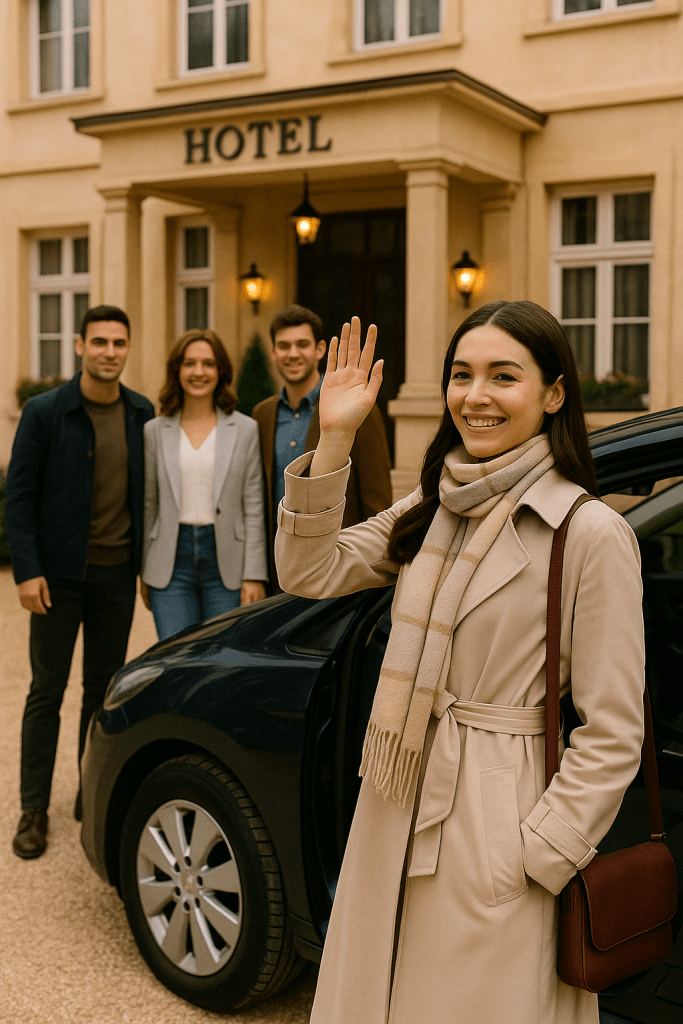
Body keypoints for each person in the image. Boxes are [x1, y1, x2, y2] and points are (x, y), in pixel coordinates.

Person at [275, 303, 645, 1024]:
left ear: (553, 393)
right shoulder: (435, 503)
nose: (475, 396)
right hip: (397, 792)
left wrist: (538, 853)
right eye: (460, 375)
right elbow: (308, 568)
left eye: (502, 376)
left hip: (498, 810)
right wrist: (336, 436)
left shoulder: (588, 531)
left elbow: (612, 730)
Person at [6, 304, 154, 859]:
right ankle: (33, 810)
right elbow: (18, 497)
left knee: (102, 691)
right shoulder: (45, 413)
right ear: (79, 346)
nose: (109, 352)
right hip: (57, 580)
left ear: (127, 349)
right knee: (46, 692)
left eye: (119, 343)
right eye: (100, 342)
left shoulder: (142, 413)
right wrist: (28, 570)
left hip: (116, 576)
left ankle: (88, 795)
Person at [252, 303, 392, 590]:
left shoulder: (354, 410)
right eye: (284, 346)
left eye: (302, 344)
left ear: (319, 350)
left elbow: (376, 499)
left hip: (336, 570)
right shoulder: (262, 415)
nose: (293, 354)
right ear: (273, 352)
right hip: (278, 569)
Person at [142, 329, 268, 641]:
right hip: (170, 564)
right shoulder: (154, 431)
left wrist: (254, 574)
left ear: (221, 371)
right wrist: (145, 571)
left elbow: (253, 507)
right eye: (190, 363)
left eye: (208, 364)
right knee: (176, 662)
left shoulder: (245, 429)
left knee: (221, 662)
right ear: (177, 371)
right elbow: (149, 505)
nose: (199, 372)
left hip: (227, 562)